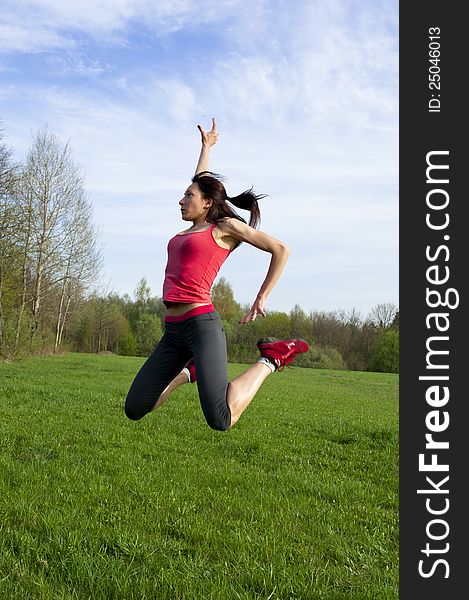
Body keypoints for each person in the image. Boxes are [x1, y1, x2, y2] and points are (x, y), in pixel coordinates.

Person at [124, 118, 309, 431]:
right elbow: (201, 179)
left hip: (201, 325)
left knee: (221, 418)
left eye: (188, 196)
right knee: (136, 406)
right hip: (173, 330)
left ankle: (271, 359)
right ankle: (189, 371)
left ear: (207, 202)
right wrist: (206, 147)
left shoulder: (224, 228)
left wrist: (261, 296)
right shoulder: (191, 228)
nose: (182, 200)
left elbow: (281, 250)